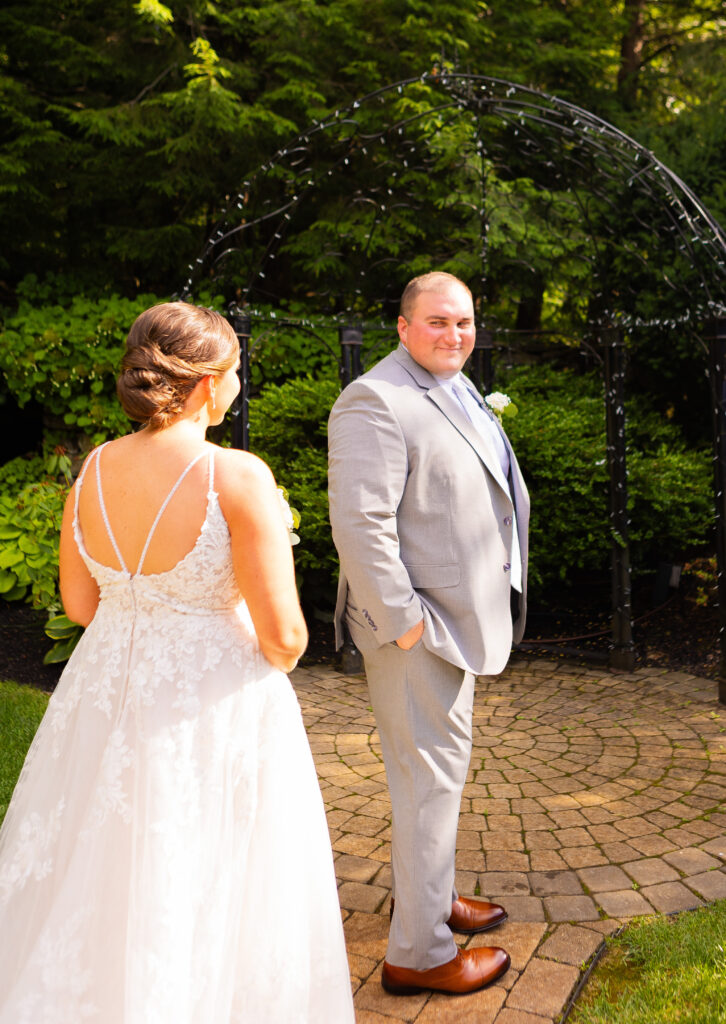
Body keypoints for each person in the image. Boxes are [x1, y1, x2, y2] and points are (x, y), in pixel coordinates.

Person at [0, 302, 354, 1024]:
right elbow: (285, 637)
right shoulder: (235, 475)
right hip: (210, 703)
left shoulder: (93, 467)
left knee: (99, 863)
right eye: (233, 376)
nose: (237, 389)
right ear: (203, 385)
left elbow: (80, 604)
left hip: (103, 690)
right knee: (205, 872)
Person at [328, 271, 529, 997]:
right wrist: (407, 627)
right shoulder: (374, 400)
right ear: (404, 327)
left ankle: (434, 900)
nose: (455, 335)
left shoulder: (455, 384)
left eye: (465, 322)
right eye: (438, 322)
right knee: (426, 784)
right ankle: (419, 953)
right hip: (418, 631)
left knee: (439, 778)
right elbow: (360, 527)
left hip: (453, 622)